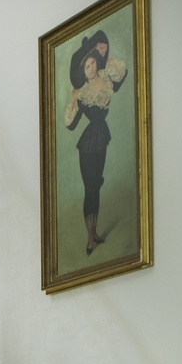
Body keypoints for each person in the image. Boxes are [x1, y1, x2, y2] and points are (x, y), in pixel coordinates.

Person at [64, 30, 127, 255]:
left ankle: (94, 232)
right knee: (90, 188)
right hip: (87, 144)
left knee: (96, 186)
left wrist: (110, 62)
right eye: (86, 68)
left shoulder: (108, 77)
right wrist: (72, 102)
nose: (90, 69)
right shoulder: (82, 94)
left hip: (101, 139)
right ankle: (90, 238)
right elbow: (70, 124)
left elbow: (123, 72)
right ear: (83, 72)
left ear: (95, 62)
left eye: (92, 64)